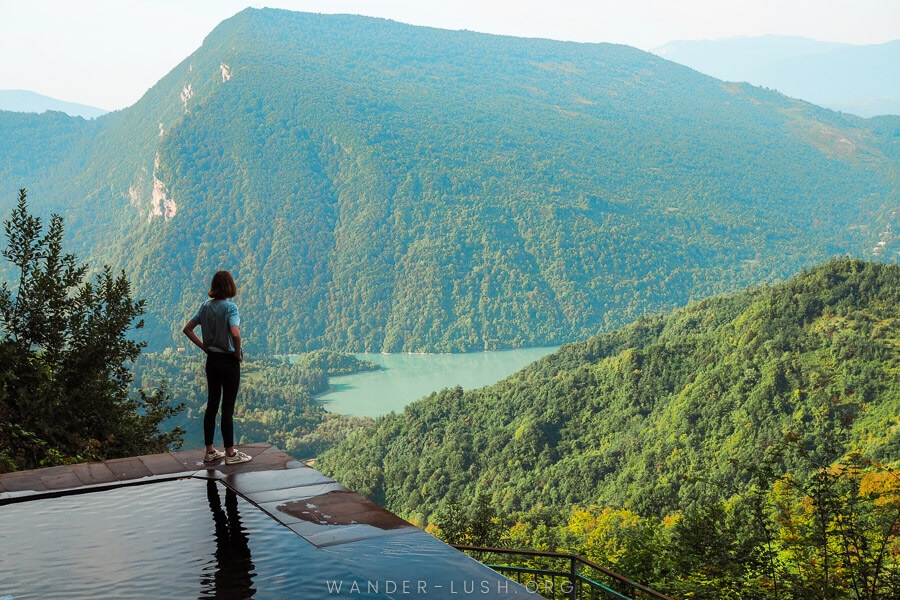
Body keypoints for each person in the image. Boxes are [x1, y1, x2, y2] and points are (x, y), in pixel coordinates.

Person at [183, 270, 252, 465]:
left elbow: (187, 329)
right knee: (227, 408)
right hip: (228, 361)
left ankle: (210, 451)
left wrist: (205, 347)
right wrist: (237, 353)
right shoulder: (230, 308)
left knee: (212, 405)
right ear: (230, 286)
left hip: (212, 360)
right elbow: (236, 334)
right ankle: (230, 453)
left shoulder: (205, 306)